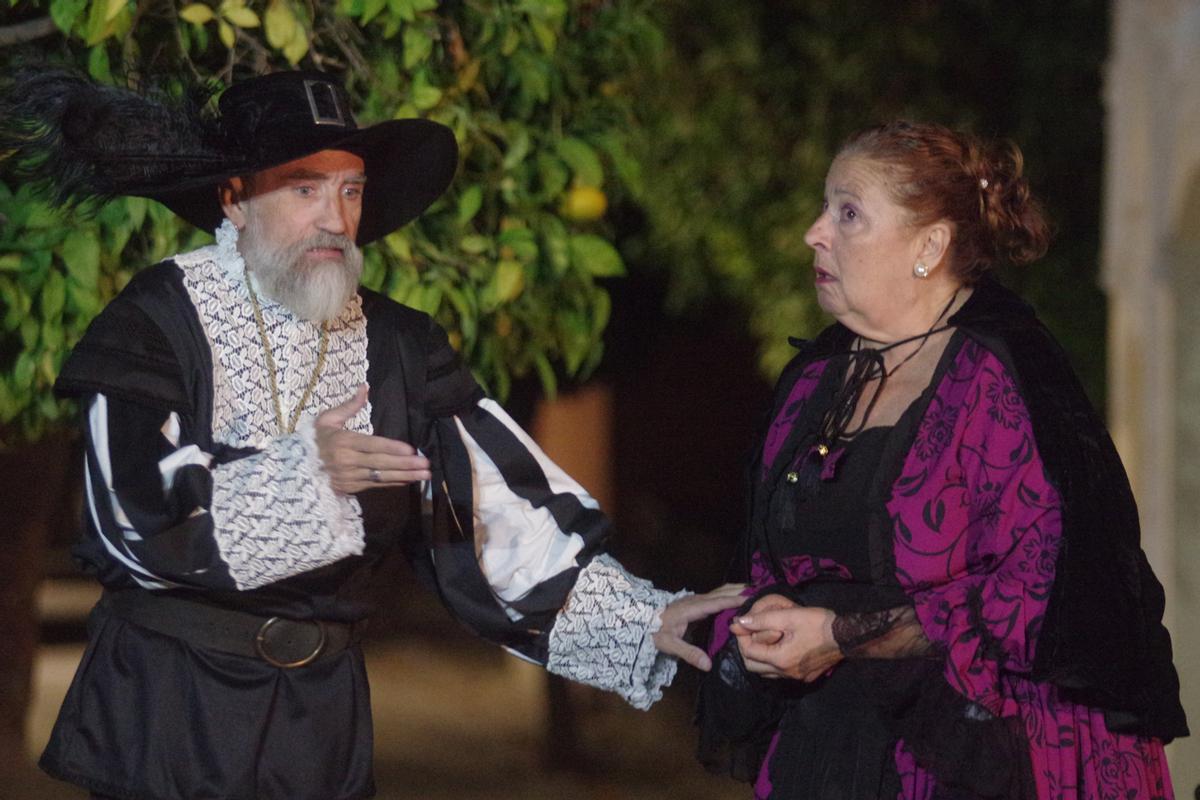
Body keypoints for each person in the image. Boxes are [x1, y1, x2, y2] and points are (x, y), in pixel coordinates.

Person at [0, 70, 744, 800]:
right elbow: (132, 517)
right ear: (234, 199)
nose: (335, 217)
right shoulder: (154, 320)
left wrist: (644, 620)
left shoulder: (400, 346)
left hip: (319, 724)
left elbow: (494, 521)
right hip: (168, 712)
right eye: (304, 189)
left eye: (350, 190)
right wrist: (303, 476)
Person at [695, 121, 1187, 799]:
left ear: (929, 246)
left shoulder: (1002, 377)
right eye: (824, 207)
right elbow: (766, 560)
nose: (815, 233)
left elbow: (1041, 588)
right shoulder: (815, 380)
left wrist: (842, 634)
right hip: (829, 747)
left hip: (974, 753)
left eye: (848, 213)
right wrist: (764, 618)